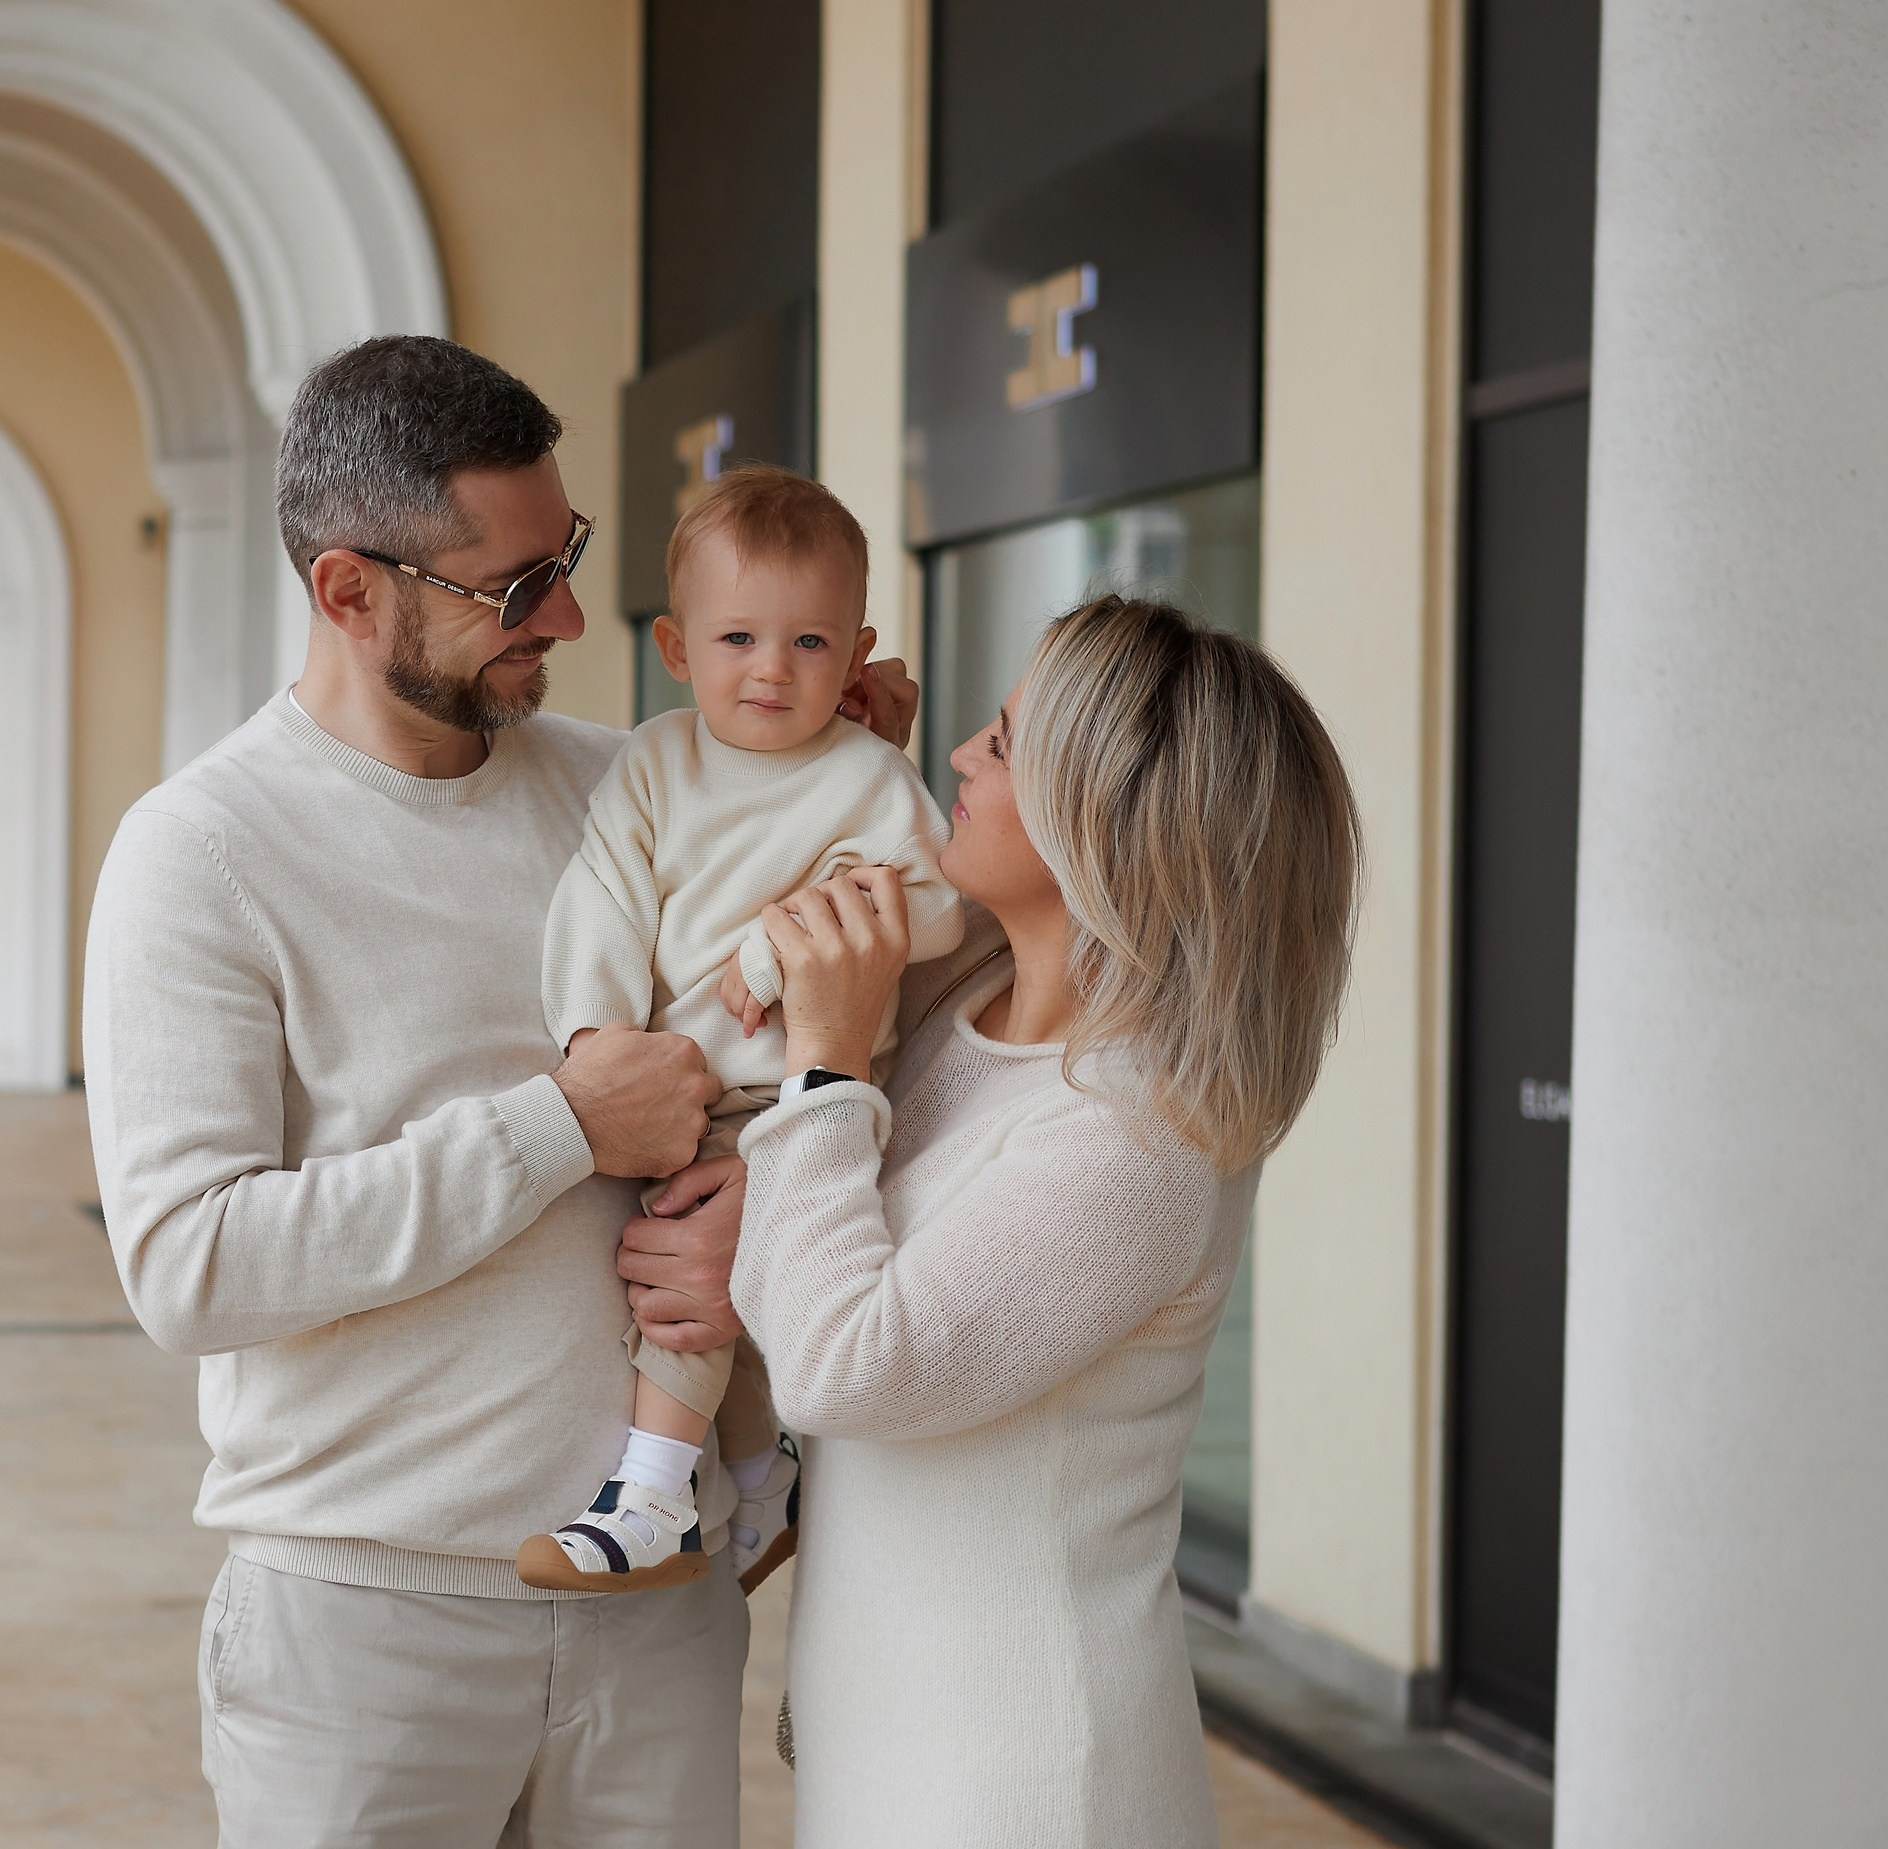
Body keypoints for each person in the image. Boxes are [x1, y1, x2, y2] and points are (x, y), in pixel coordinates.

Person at [82, 334, 915, 1847]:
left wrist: (759, 1200)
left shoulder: (645, 784)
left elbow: (837, 1047)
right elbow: (189, 1265)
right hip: (361, 1623)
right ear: (350, 591)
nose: (575, 616)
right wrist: (558, 1130)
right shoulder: (199, 852)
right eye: (515, 587)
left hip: (657, 1607)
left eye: (569, 555)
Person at [731, 596, 1362, 1846]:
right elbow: (794, 1258)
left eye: (1006, 743)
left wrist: (824, 1066)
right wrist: (848, 771)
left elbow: (836, 1362)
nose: (959, 754)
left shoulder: (1140, 1132)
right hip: (892, 1741)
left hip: (1020, 1785)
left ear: (1104, 819)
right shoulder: (965, 1007)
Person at [519, 466, 962, 1597]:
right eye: (737, 639)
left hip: (784, 1089)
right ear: (675, 647)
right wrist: (595, 1038)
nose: (772, 669)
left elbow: (931, 903)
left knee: (684, 1277)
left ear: (856, 651)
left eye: (811, 644)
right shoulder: (655, 760)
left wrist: (778, 945)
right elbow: (604, 893)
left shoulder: (869, 777)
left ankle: (655, 1490)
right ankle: (763, 1477)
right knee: (712, 1287)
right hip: (665, 1081)